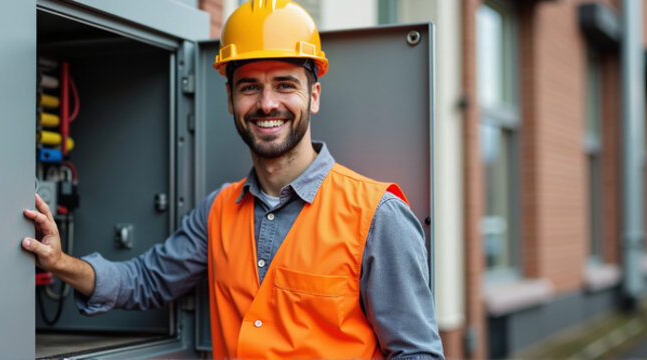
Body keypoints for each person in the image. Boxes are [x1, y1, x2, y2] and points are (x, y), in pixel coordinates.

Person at [22, 0, 443, 358]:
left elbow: (416, 353)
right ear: (229, 99)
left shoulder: (378, 215)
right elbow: (145, 282)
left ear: (313, 96)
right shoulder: (218, 211)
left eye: (285, 85)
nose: (267, 103)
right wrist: (61, 263)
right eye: (249, 88)